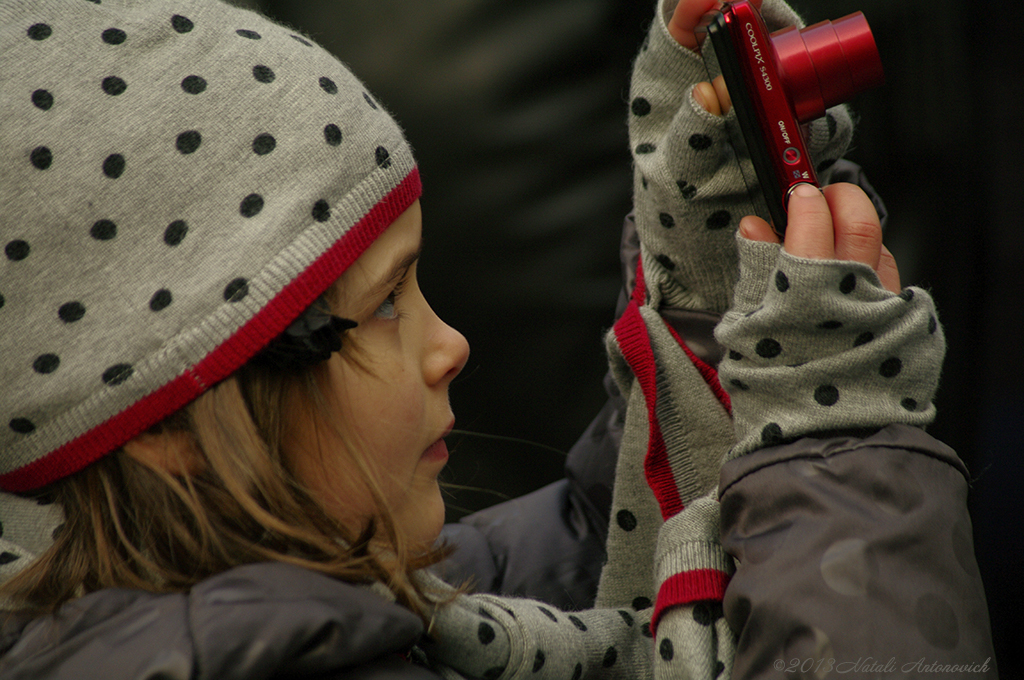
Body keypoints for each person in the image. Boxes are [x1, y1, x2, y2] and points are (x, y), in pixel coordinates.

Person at [0, 0, 995, 679]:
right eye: (390, 301)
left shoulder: (365, 596)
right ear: (174, 417)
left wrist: (705, 278)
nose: (451, 343)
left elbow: (597, 557)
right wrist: (844, 451)